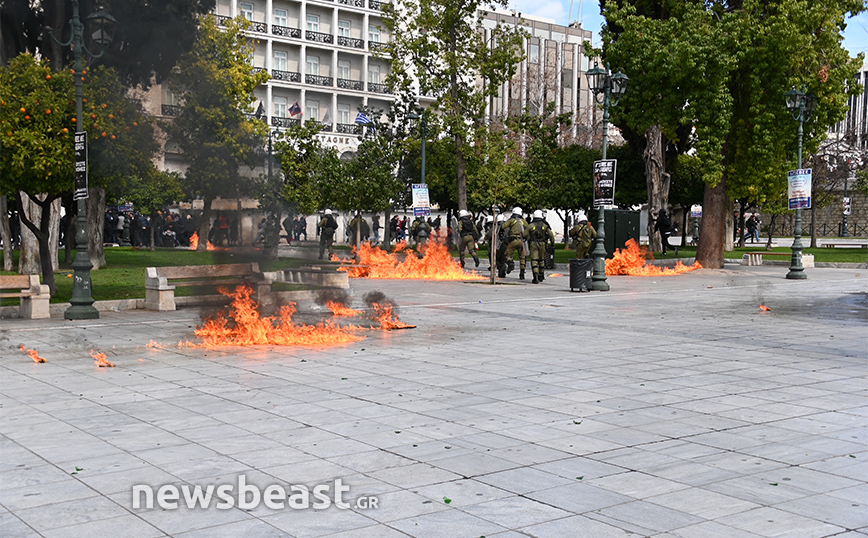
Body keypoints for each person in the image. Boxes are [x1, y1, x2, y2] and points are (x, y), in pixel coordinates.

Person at [527, 210, 555, 284]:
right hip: (542, 244)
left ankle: (535, 276)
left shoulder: (531, 225)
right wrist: (552, 244)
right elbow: (551, 235)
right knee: (542, 260)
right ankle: (541, 275)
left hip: (533, 244)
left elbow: (524, 234)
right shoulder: (545, 225)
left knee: (534, 260)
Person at [502, 206, 528, 280]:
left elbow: (503, 226)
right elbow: (528, 228)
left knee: (507, 254)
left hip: (513, 240)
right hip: (522, 241)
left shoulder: (512, 220)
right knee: (522, 257)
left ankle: (510, 263)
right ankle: (522, 273)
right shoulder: (523, 221)